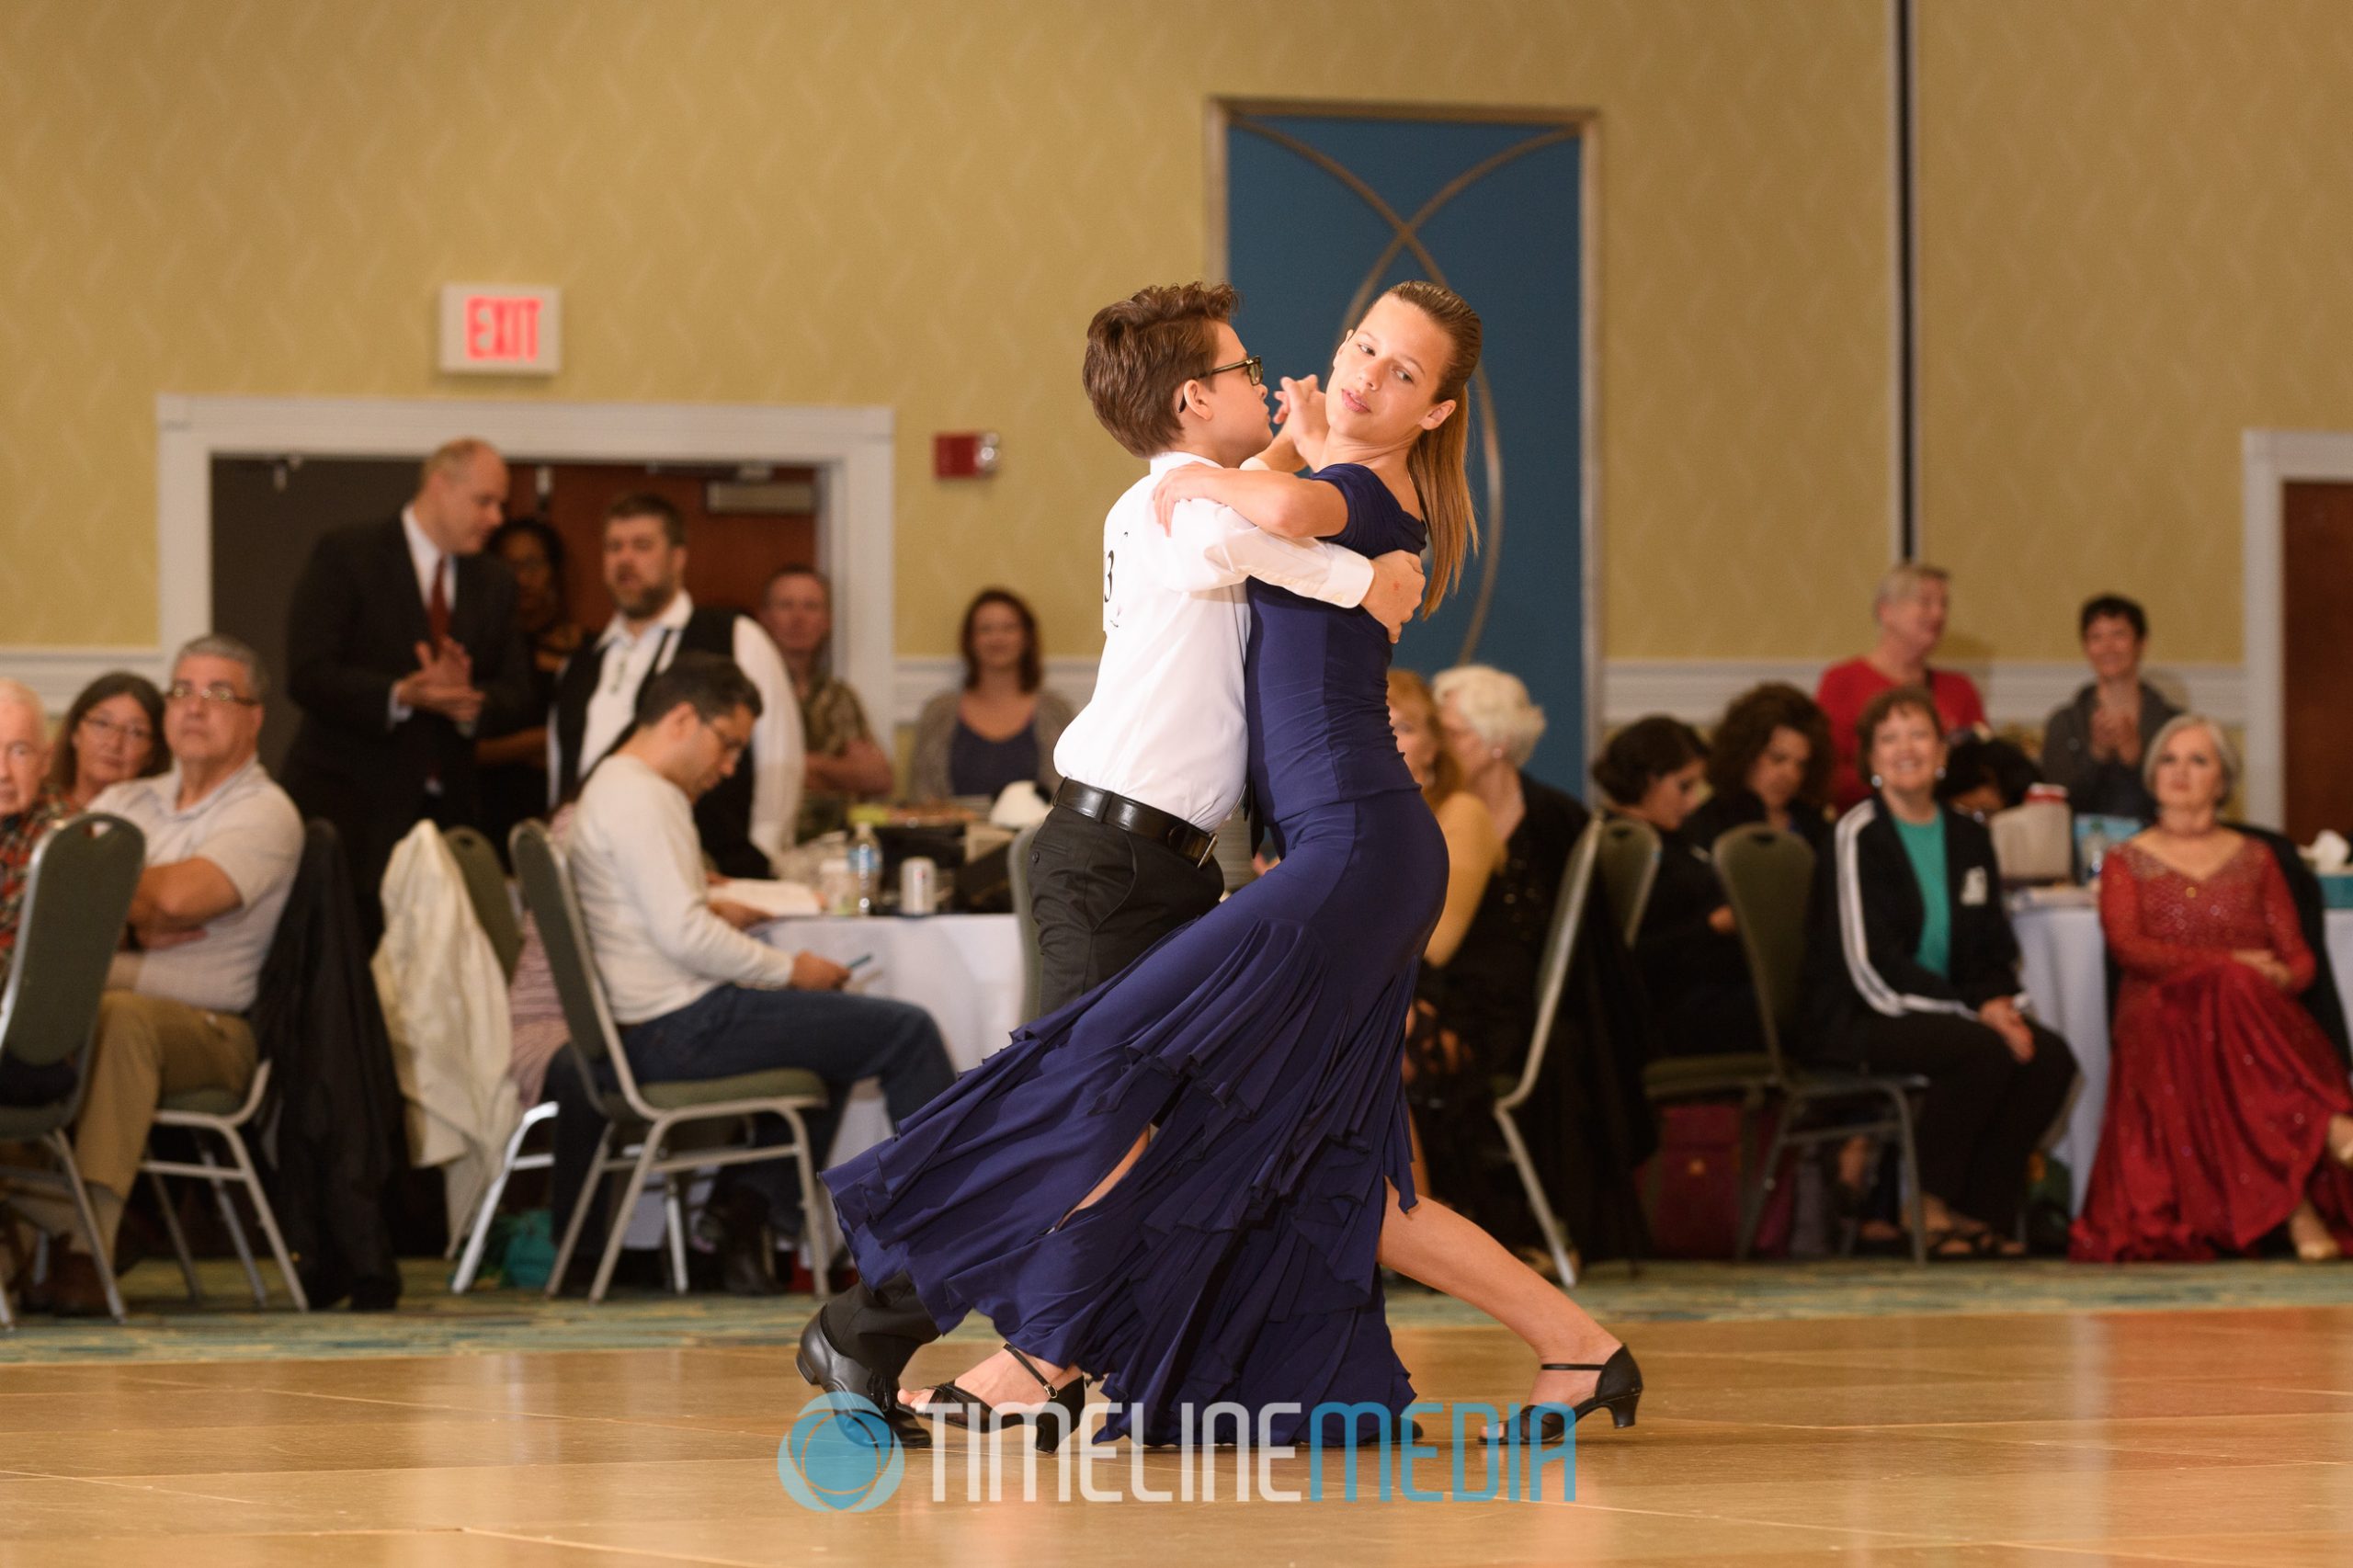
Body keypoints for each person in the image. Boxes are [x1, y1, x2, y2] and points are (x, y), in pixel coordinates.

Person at [824, 279, 1639, 1451]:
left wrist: (1236, 474)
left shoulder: (1333, 490)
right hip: (1325, 847)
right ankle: (1579, 1346)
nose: (1358, 373)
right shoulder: (1287, 485)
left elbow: (1281, 510)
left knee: (1103, 1069)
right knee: (1316, 1150)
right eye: (1360, 344)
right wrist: (1277, 476)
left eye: (1398, 372)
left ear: (1437, 409)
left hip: (1351, 851)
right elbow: (1263, 523)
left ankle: (1000, 1350)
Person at [564, 653, 953, 1290]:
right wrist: (790, 969)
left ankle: (745, 1205)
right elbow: (683, 935)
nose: (727, 768)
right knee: (905, 1032)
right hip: (679, 1028)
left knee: (839, 1039)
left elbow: (658, 916)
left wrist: (708, 901)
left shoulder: (612, 786)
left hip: (651, 1026)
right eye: (727, 745)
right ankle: (947, 1239)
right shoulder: (645, 796)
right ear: (684, 718)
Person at [38, 637, 302, 1314]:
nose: (193, 708)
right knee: (34, 1014)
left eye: (218, 694)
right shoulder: (129, 799)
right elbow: (61, 904)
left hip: (215, 1033)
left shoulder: (265, 811)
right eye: (181, 690)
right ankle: (20, 1235)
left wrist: (117, 904)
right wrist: (137, 917)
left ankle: (83, 1247)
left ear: (255, 717)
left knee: (119, 1019)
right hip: (95, 1005)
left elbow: (180, 901)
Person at [1801, 686, 2078, 1259]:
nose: (1907, 748)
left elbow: (1989, 953)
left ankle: (1980, 1212)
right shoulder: (1856, 835)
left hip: (1951, 1011)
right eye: (1890, 738)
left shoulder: (1970, 837)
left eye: (1919, 734)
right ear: (1871, 759)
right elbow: (1869, 965)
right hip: (1859, 1013)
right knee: (1979, 1050)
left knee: (2048, 1059)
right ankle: (1923, 1203)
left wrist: (2004, 1006)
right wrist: (1977, 1013)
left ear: (1942, 751)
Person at [2072, 715, 2353, 1263]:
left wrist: (2269, 975)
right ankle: (2327, 1138)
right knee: (2224, 994)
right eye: (2170, 760)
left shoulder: (2257, 857)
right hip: (2159, 1012)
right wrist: (2232, 966)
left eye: (2198, 760)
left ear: (2223, 781)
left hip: (2250, 1021)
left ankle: (2297, 1208)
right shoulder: (2127, 861)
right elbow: (2130, 949)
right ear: (2153, 776)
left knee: (2231, 1011)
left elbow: (2299, 963)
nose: (2181, 772)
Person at [280, 437, 534, 934]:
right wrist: (401, 695)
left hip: (448, 820)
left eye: (500, 504)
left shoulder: (495, 582)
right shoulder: (348, 555)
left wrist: (468, 704)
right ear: (439, 486)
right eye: (484, 501)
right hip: (349, 815)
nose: (496, 519)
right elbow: (308, 673)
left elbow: (518, 694)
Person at [549, 492, 802, 877]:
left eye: (642, 545)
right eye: (614, 547)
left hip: (714, 868)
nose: (625, 560)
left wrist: (762, 855)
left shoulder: (734, 636)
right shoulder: (580, 662)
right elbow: (561, 773)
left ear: (678, 557)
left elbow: (780, 760)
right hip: (598, 876)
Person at [1388, 669, 1504, 1188]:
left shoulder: (1463, 812)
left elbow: (1438, 942)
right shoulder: (1358, 814)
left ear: (1435, 745)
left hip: (1463, 1000)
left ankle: (1406, 1220)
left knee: (1365, 1045)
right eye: (1375, 724)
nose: (1388, 739)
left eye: (1405, 727)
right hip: (1395, 986)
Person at [1596, 718, 1760, 1058]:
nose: (1692, 802)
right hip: (1670, 1009)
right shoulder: (1629, 847)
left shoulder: (1670, 838)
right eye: (1684, 787)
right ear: (1648, 780)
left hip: (1710, 989)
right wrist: (1712, 928)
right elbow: (1629, 958)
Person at [1816, 563, 1987, 810]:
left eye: (1944, 605)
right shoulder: (1843, 681)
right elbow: (1826, 774)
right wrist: (1905, 779)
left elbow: (1984, 767)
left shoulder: (1960, 689)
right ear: (1886, 611)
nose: (1938, 614)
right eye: (1926, 602)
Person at [757, 564, 892, 840]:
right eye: (786, 605)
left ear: (827, 621)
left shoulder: (840, 698)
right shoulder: (747, 693)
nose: (798, 618)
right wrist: (839, 773)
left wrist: (801, 766)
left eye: (810, 606)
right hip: (764, 847)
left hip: (839, 847)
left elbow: (877, 778)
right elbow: (752, 780)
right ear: (765, 618)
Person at [474, 517, 584, 855]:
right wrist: (547, 741)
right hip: (492, 805)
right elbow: (469, 750)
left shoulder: (586, 648)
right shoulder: (483, 649)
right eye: (510, 565)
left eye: (533, 564)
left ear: (553, 570)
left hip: (564, 810)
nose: (523, 578)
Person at [908, 589, 1074, 805]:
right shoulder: (939, 712)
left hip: (1035, 836)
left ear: (1026, 638)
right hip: (953, 836)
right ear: (970, 640)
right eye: (986, 629)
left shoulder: (1055, 712)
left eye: (1009, 628)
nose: (997, 638)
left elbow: (1066, 795)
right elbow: (923, 794)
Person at [2040, 594, 2179, 823]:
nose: (2108, 647)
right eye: (2096, 637)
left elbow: (2183, 802)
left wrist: (2136, 759)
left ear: (2141, 643)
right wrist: (2096, 756)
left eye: (2118, 634)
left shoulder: (2173, 725)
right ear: (2086, 647)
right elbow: (2057, 806)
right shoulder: (2064, 723)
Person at [1686, 682, 1833, 852]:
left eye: (1801, 764)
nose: (1791, 774)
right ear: (1746, 754)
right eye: (1777, 759)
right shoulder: (1707, 825)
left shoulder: (1814, 825)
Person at [0, 680, 66, 991]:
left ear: (46, 760)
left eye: (19, 751)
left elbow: (12, 965)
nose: (3, 772)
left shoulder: (58, 836)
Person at [48, 672, 166, 812]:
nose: (114, 743)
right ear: (75, 732)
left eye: (135, 732)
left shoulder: (159, 825)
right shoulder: (39, 810)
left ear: (152, 753)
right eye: (102, 724)